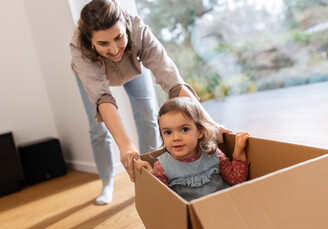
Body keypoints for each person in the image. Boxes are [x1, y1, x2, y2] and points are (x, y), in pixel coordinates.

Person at [70, 0, 228, 205]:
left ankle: (148, 175)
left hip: (132, 66)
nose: (114, 48)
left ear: (125, 28)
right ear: (91, 41)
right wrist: (126, 145)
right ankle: (107, 181)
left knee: (147, 114)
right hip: (94, 75)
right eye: (103, 43)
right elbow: (103, 99)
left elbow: (172, 81)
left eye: (118, 37)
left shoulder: (137, 29)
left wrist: (208, 122)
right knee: (99, 129)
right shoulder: (80, 49)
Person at [135, 97, 249, 201]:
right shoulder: (162, 167)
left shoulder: (213, 153)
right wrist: (151, 175)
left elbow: (237, 181)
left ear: (200, 132)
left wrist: (238, 152)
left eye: (184, 129)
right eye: (168, 132)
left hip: (224, 206)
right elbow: (162, 201)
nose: (176, 138)